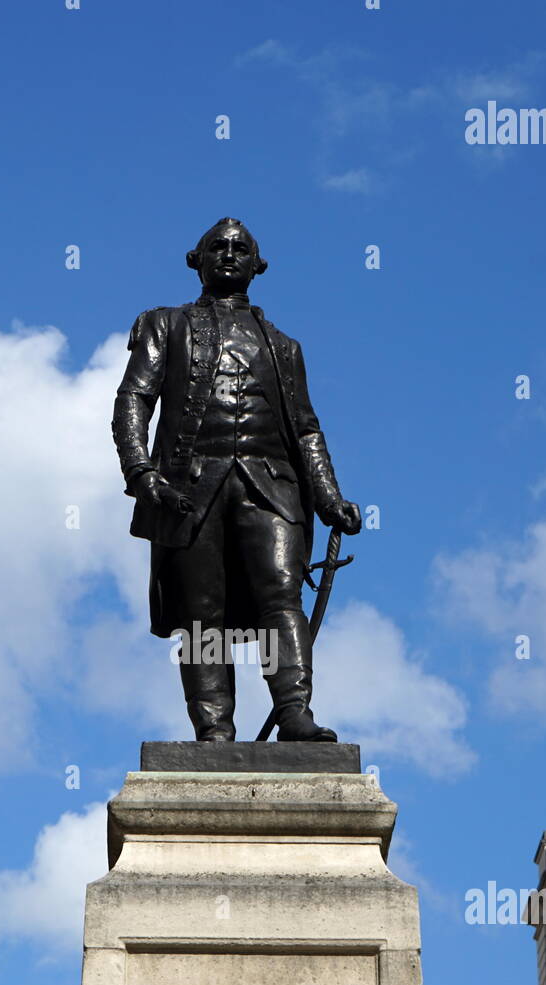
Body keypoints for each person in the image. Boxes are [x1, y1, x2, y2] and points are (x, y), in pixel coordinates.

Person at [112, 217, 361, 741]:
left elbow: (307, 429)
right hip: (190, 487)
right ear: (196, 260)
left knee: (280, 596)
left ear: (258, 265)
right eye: (217, 247)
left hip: (271, 485)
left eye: (240, 249)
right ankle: (214, 730)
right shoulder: (165, 323)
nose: (228, 254)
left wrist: (330, 497)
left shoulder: (285, 347)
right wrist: (140, 469)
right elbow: (135, 397)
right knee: (203, 616)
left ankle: (295, 712)